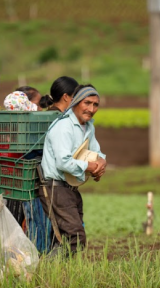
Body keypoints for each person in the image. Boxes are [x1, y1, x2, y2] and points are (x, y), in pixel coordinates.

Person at [39, 84, 107, 256]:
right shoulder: (63, 127)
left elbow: (96, 151)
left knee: (65, 237)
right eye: (87, 103)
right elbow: (63, 163)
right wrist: (90, 166)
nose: (91, 109)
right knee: (75, 236)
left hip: (69, 188)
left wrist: (101, 163)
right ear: (76, 102)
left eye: (95, 104)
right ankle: (57, 272)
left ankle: (54, 273)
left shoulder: (88, 126)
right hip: (55, 187)